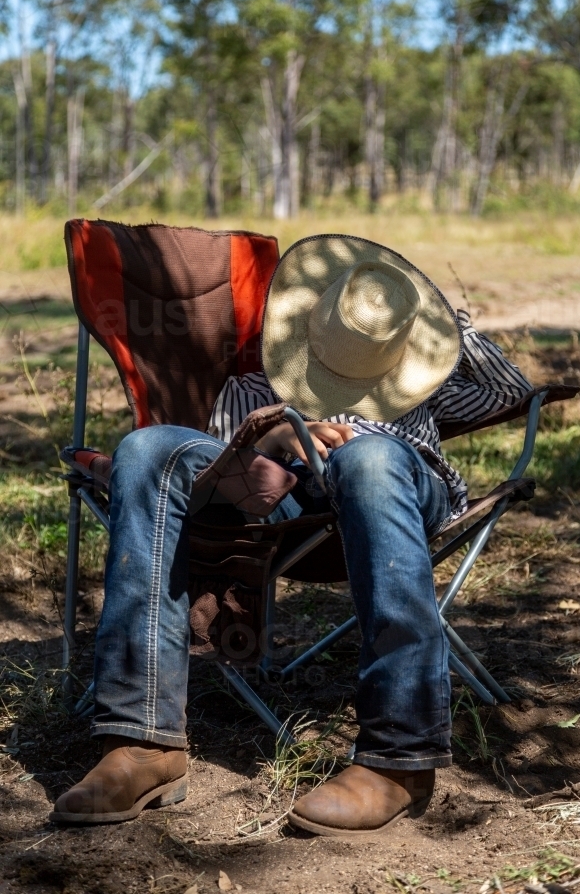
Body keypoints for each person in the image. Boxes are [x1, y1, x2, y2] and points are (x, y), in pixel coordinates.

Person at [50, 235, 532, 833]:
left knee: (370, 460)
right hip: (288, 503)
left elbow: (511, 390)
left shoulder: (424, 386)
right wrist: (275, 439)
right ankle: (143, 743)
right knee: (148, 447)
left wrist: (440, 328)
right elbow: (226, 472)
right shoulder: (256, 388)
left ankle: (398, 758)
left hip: (395, 489)